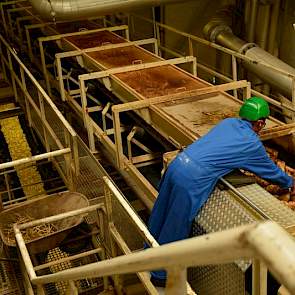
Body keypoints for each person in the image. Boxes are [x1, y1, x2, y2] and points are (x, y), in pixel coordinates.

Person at [148, 96, 295, 287]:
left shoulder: (229, 123)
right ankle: (160, 276)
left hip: (178, 164)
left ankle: (148, 251)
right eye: (263, 123)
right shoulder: (251, 143)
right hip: (192, 178)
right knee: (177, 224)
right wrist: (290, 181)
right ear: (259, 123)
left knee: (161, 212)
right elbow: (271, 172)